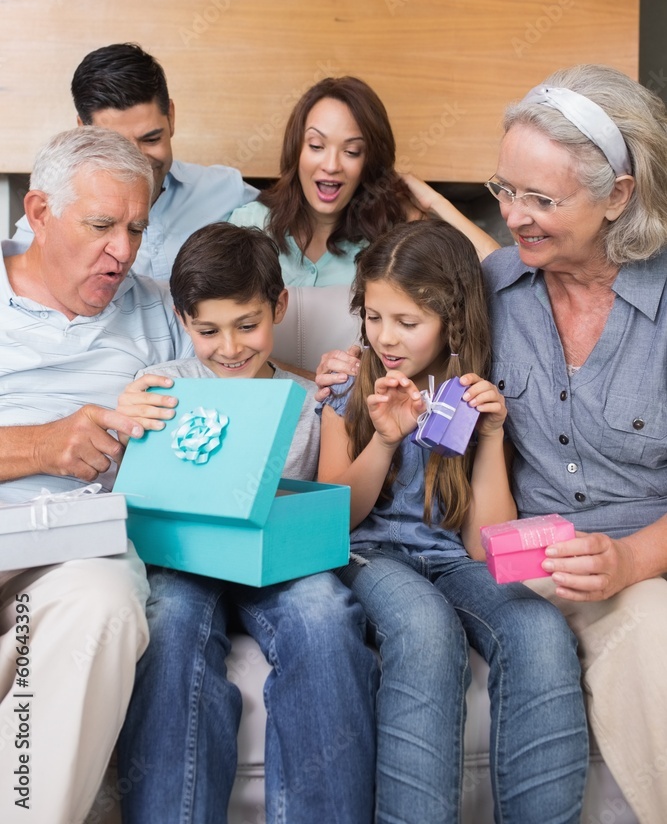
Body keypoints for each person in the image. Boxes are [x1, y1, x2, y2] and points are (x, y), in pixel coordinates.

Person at [317, 219, 589, 824]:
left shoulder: (472, 396)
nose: (386, 338)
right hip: (370, 555)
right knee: (423, 626)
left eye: (408, 323)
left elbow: (485, 544)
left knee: (540, 629)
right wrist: (385, 441)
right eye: (374, 316)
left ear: (454, 322)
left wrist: (491, 439)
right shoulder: (347, 386)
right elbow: (336, 518)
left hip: (453, 559)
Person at [114, 222, 377, 824]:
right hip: (182, 560)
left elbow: (334, 501)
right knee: (170, 620)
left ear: (279, 307)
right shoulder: (164, 388)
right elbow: (136, 485)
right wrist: (124, 423)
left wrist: (344, 404)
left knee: (325, 616)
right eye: (208, 330)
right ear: (184, 321)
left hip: (280, 564)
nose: (229, 347)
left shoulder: (312, 400)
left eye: (247, 324)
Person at [480, 64, 667, 824]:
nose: (512, 215)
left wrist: (627, 561)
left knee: (650, 628)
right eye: (502, 190)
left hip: (637, 571)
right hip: (523, 574)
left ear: (617, 196)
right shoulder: (490, 286)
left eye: (541, 200)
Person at [0, 127, 190, 824]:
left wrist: (327, 385)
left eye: (136, 228)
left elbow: (230, 386)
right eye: (102, 225)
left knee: (106, 599)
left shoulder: (159, 312)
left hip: (66, 559)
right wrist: (41, 446)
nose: (124, 251)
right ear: (40, 211)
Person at [11, 43, 258, 278]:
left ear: (170, 117)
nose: (138, 164)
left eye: (151, 139)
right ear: (83, 132)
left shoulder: (226, 190)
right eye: (117, 146)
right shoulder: (51, 217)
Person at [230, 76, 498, 286]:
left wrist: (435, 202)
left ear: (368, 162)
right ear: (296, 150)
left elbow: (501, 277)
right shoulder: (250, 225)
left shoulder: (389, 241)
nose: (332, 166)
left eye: (351, 151)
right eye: (316, 146)